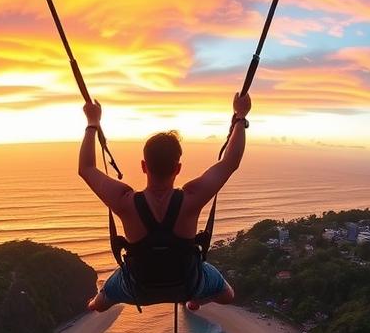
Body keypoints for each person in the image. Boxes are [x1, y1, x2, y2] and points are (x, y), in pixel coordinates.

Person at [79, 92, 251, 311]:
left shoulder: (125, 201)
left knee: (99, 306)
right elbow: (230, 162)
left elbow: (86, 169)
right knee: (228, 295)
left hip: (138, 288)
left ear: (144, 166)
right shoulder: (192, 198)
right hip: (189, 284)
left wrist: (92, 124)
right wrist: (240, 117)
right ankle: (194, 301)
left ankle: (94, 302)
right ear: (178, 168)